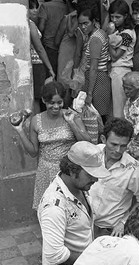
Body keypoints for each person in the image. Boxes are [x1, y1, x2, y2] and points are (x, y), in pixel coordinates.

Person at [38, 141, 108, 265]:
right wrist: (93, 260)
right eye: (90, 175)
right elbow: (55, 254)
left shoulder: (79, 187)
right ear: (72, 170)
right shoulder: (54, 206)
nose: (96, 180)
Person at [12, 81, 91, 210]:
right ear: (43, 100)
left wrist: (71, 123)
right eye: (51, 103)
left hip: (68, 171)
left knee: (72, 209)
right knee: (49, 210)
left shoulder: (72, 115)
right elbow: (33, 152)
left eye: (59, 102)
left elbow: (87, 143)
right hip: (46, 172)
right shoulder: (36, 121)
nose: (56, 106)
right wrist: (20, 131)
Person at [90, 118, 139, 237]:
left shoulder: (134, 170)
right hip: (84, 225)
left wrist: (123, 222)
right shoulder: (92, 153)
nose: (118, 150)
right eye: (113, 144)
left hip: (110, 230)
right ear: (103, 139)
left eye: (123, 146)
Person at [77, 1, 112, 121]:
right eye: (80, 24)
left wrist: (90, 93)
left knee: (97, 116)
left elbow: (93, 68)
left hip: (98, 79)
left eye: (86, 23)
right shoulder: (100, 32)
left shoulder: (95, 39)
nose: (83, 27)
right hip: (99, 78)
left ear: (93, 22)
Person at [106, 0, 136, 118]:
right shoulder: (119, 30)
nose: (114, 20)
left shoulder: (127, 33)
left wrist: (109, 37)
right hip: (116, 72)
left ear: (125, 16)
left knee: (119, 109)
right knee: (114, 107)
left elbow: (115, 56)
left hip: (121, 71)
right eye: (112, 16)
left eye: (117, 17)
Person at [28, 0, 55, 114]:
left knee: (36, 98)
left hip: (34, 64)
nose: (35, 10)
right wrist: (50, 67)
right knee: (37, 99)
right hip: (37, 63)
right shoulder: (31, 25)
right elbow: (39, 48)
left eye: (36, 7)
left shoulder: (27, 23)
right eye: (31, 7)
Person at [55, 0, 82, 107]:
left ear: (67, 2)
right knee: (75, 82)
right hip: (77, 53)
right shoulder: (82, 20)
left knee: (63, 83)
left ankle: (64, 109)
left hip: (65, 52)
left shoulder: (67, 18)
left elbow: (57, 40)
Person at [38, 0, 68, 76]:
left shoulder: (45, 6)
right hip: (65, 48)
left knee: (50, 76)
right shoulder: (67, 8)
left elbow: (41, 28)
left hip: (49, 47)